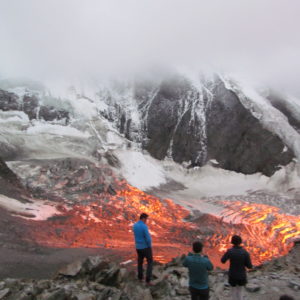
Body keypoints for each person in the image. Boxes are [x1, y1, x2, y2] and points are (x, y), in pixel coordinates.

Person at [221, 235, 253, 300]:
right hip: (242, 276)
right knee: (240, 292)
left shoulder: (230, 251)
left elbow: (222, 261)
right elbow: (249, 266)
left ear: (232, 242)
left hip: (232, 275)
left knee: (233, 292)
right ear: (240, 242)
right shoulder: (245, 252)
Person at [133, 213, 153, 284]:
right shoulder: (144, 226)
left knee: (140, 262)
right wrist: (149, 245)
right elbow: (148, 238)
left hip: (138, 247)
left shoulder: (134, 225)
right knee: (150, 262)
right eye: (146, 219)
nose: (146, 221)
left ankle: (140, 277)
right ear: (143, 218)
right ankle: (148, 280)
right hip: (145, 247)